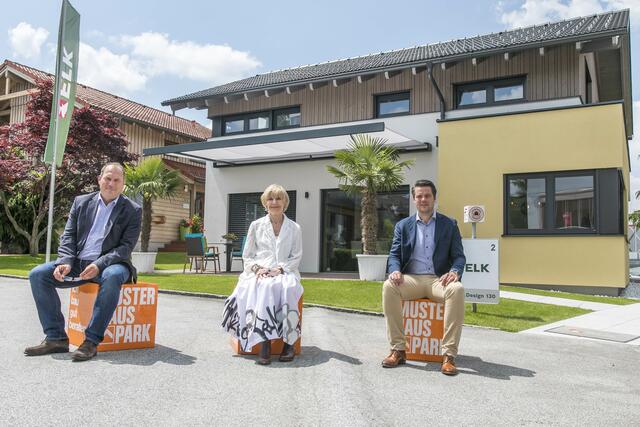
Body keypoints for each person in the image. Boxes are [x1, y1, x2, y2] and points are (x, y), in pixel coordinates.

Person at [24, 162, 142, 362]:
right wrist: (66, 261)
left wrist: (99, 264)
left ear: (123, 185)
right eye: (107, 178)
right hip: (79, 262)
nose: (111, 184)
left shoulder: (132, 210)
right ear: (99, 179)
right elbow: (68, 237)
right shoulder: (81, 202)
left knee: (112, 276)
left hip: (114, 263)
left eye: (116, 180)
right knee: (38, 274)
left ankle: (91, 342)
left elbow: (125, 247)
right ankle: (56, 338)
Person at [382, 179, 466, 375]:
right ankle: (398, 350)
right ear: (414, 199)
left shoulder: (449, 224)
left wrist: (454, 272)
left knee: (457, 289)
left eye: (427, 195)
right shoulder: (403, 226)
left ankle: (448, 356)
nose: (423, 199)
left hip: (438, 280)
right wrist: (394, 269)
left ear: (434, 198)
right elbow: (394, 254)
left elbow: (459, 256)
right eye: (419, 196)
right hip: (411, 279)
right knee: (389, 286)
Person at [222, 184, 303, 365]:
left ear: (285, 202)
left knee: (288, 288)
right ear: (265, 204)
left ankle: (288, 343)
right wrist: (259, 269)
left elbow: (296, 256)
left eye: (278, 198)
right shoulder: (256, 225)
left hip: (285, 271)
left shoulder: (294, 228)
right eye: (270, 199)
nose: (274, 202)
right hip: (260, 271)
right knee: (264, 286)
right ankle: (264, 342)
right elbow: (247, 256)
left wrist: (280, 269)